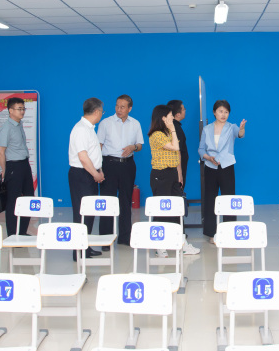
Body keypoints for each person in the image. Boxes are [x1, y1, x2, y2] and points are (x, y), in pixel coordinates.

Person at [148, 105, 200, 257]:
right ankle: (159, 245)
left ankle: (181, 243)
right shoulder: (156, 135)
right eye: (170, 115)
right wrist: (172, 128)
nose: (172, 117)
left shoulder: (167, 132)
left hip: (172, 174)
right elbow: (176, 147)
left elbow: (177, 154)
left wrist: (179, 174)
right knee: (161, 211)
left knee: (177, 209)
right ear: (163, 118)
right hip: (160, 175)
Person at [97, 94, 144, 248]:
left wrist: (133, 147)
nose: (119, 109)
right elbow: (99, 146)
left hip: (127, 165)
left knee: (125, 201)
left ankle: (125, 238)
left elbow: (140, 145)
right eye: (117, 106)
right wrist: (98, 168)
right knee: (107, 202)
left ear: (130, 108)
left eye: (122, 107)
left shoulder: (135, 124)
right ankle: (105, 240)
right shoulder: (105, 123)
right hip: (109, 165)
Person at [199, 100, 246, 242]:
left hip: (227, 166)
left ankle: (229, 231)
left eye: (226, 112)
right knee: (210, 199)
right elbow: (201, 149)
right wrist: (208, 157)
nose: (223, 114)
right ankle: (211, 233)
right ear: (214, 112)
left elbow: (240, 134)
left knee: (229, 199)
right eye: (220, 111)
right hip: (210, 166)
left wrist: (242, 128)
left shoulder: (232, 127)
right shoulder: (207, 129)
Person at [69, 97, 105, 261]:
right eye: (102, 112)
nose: (102, 114)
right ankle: (78, 251)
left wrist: (99, 169)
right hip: (82, 175)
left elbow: (92, 153)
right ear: (96, 112)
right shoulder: (81, 129)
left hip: (90, 173)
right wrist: (95, 174)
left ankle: (85, 247)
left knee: (89, 212)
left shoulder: (89, 128)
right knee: (81, 213)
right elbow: (83, 157)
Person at [0, 97, 34, 237]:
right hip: (13, 166)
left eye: (23, 108)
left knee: (28, 197)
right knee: (13, 201)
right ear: (10, 110)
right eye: (19, 109)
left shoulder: (19, 125)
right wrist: (5, 170)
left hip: (24, 165)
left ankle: (22, 232)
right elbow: (1, 151)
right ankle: (13, 234)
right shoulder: (6, 128)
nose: (22, 111)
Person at [167, 100, 188, 188]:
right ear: (178, 114)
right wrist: (179, 173)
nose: (185, 110)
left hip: (175, 169)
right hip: (175, 170)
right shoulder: (175, 128)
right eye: (183, 109)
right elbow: (177, 151)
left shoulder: (174, 126)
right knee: (177, 192)